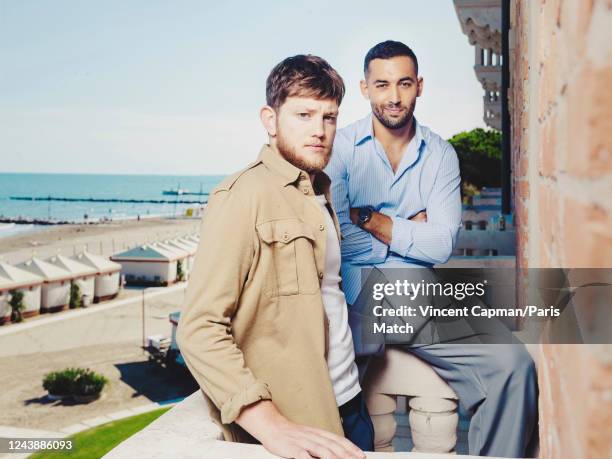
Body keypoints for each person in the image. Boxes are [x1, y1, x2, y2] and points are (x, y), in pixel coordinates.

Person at [325, 40, 538, 457]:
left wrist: (371, 219)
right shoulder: (339, 149)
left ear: (419, 86)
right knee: (334, 414)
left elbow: (441, 245)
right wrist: (407, 233)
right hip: (351, 297)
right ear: (365, 89)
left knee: (513, 367)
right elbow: (339, 240)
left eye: (404, 83)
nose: (394, 96)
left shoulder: (439, 154)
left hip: (415, 293)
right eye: (382, 84)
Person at [177, 54, 372, 459]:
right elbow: (199, 329)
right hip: (297, 424)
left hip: (351, 404)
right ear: (270, 119)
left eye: (329, 117)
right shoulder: (240, 198)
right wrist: (270, 423)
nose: (319, 130)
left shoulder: (321, 191)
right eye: (303, 114)